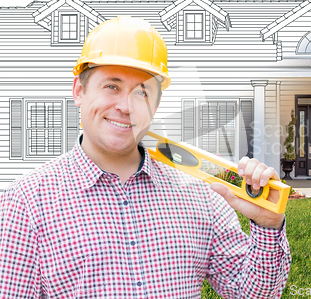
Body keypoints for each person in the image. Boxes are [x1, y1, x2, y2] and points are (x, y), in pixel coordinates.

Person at [0, 16, 291, 298]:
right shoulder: (26, 202)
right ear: (79, 90)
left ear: (155, 104)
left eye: (141, 93)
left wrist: (267, 226)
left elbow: (253, 294)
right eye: (112, 86)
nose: (126, 107)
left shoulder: (203, 192)